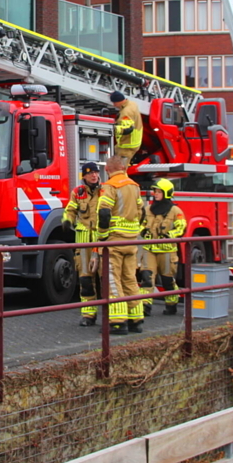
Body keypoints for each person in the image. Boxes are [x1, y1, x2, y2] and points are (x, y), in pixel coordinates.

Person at [96, 154, 147, 335]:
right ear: (124, 168)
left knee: (112, 281)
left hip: (114, 242)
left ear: (108, 170)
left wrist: (102, 237)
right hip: (131, 241)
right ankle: (136, 319)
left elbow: (103, 214)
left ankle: (118, 322)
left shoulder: (109, 187)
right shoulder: (134, 186)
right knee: (130, 279)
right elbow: (141, 213)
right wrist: (135, 231)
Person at [63, 162, 103, 326]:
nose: (94, 175)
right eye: (90, 173)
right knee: (86, 281)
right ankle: (88, 315)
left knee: (106, 280)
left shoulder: (105, 191)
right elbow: (71, 209)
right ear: (84, 176)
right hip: (84, 243)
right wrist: (67, 221)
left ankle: (112, 314)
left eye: (96, 172)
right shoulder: (77, 192)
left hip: (102, 244)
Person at [141, 178, 186, 316]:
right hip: (149, 249)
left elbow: (182, 227)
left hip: (167, 250)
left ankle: (171, 304)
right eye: (155, 191)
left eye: (159, 191)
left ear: (166, 193)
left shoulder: (175, 210)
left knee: (167, 280)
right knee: (147, 277)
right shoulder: (148, 209)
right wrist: (141, 230)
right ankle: (145, 306)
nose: (156, 194)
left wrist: (170, 235)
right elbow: (141, 223)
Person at [110, 91, 143, 165]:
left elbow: (127, 128)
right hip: (130, 143)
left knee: (120, 169)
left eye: (114, 103)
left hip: (127, 144)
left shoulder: (126, 112)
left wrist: (113, 129)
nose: (114, 105)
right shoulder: (132, 104)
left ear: (118, 101)